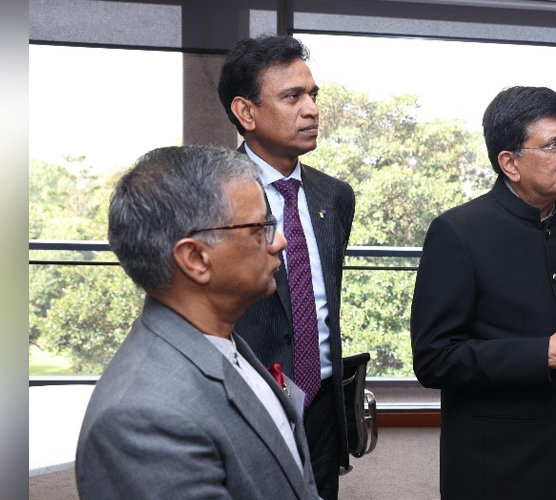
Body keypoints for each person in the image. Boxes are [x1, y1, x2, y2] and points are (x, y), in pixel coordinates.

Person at [410, 86, 556, 500]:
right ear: (510, 162)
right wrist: (543, 353)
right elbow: (434, 358)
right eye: (553, 145)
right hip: (499, 469)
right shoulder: (458, 233)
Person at [75, 146, 320, 499]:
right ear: (196, 259)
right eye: (261, 228)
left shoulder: (221, 340)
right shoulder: (141, 419)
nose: (279, 241)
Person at [218, 35, 356, 499]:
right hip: (245, 403)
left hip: (321, 404)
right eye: (292, 96)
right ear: (246, 112)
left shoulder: (334, 197)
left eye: (313, 95)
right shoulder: (211, 195)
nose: (312, 109)